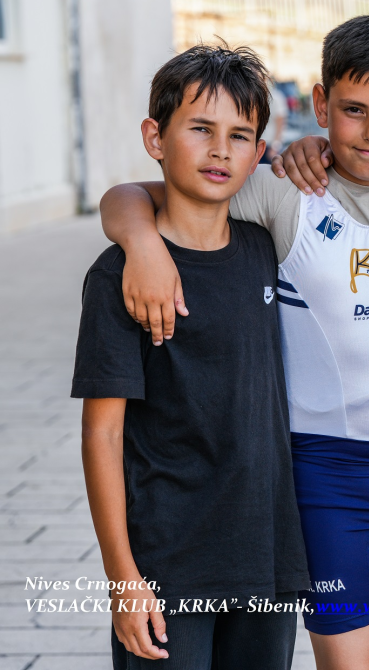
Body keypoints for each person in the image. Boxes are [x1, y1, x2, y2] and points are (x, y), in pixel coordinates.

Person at [97, 14, 369, 670]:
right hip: (328, 488)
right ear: (320, 105)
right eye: (352, 110)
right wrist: (140, 242)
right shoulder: (284, 192)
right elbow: (136, 193)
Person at [73, 44, 309, 669]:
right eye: (200, 129)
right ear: (155, 137)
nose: (220, 150)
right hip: (168, 564)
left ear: (259, 153)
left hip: (266, 556)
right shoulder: (120, 275)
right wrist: (123, 579)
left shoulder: (267, 249)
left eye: (239, 136)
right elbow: (102, 433)